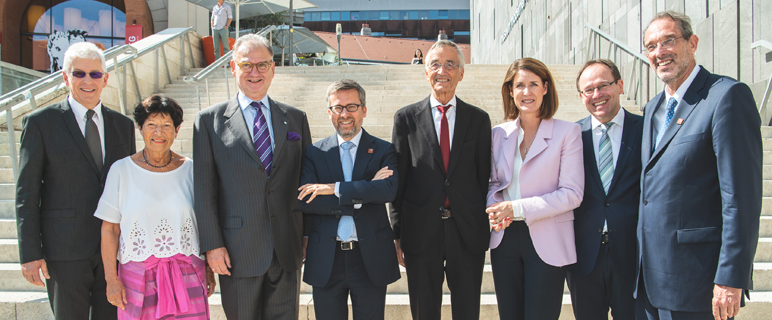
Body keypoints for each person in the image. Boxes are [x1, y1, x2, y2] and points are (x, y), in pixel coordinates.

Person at [636, 11, 761, 320]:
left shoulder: (726, 96)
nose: (659, 52)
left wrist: (731, 278)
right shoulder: (653, 108)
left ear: (692, 43)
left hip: (699, 282)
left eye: (668, 41)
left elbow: (741, 199)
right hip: (651, 281)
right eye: (651, 46)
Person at [194, 33, 312, 319]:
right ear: (233, 68)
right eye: (247, 65)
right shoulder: (209, 121)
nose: (255, 72)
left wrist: (307, 233)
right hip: (237, 251)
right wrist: (212, 245)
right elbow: (204, 189)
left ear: (273, 68)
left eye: (263, 65)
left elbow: (306, 180)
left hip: (287, 247)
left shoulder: (296, 118)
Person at [15, 42, 136, 319]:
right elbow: (27, 193)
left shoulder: (123, 126)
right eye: (79, 73)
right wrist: (30, 253)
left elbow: (130, 188)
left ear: (105, 79)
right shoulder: (40, 123)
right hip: (64, 251)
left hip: (113, 253)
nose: (87, 81)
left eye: (95, 74)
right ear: (65, 76)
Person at [390, 40, 491, 320]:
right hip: (420, 231)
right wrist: (397, 233)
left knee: (467, 311)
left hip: (466, 232)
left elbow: (484, 178)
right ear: (425, 71)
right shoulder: (406, 119)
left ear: (461, 72)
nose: (442, 70)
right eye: (435, 64)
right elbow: (400, 180)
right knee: (424, 312)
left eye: (450, 64)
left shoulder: (479, 119)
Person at [95, 95, 216, 319]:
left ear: (177, 130)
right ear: (140, 129)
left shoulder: (192, 170)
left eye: (166, 126)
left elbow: (205, 222)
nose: (158, 132)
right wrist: (111, 279)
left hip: (187, 274)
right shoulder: (121, 170)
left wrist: (208, 269)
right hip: (136, 278)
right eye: (151, 125)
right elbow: (110, 229)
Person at [486, 57, 584, 320]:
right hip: (504, 238)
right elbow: (493, 183)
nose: (526, 92)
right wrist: (493, 206)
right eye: (519, 85)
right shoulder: (498, 134)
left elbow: (572, 193)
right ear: (510, 91)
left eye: (533, 85)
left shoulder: (568, 132)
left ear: (545, 88)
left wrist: (514, 208)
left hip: (547, 237)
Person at [298, 79, 401, 320]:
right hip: (326, 257)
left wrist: (333, 189)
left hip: (370, 258)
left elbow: (388, 191)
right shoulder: (314, 153)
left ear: (364, 110)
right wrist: (366, 191)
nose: (344, 114)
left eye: (351, 107)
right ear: (329, 112)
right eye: (338, 108)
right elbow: (308, 201)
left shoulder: (384, 150)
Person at [565, 59, 642, 320]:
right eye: (589, 90)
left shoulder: (645, 130)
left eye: (603, 86)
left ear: (620, 85)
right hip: (585, 258)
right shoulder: (572, 135)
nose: (596, 95)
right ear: (581, 96)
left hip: (632, 255)